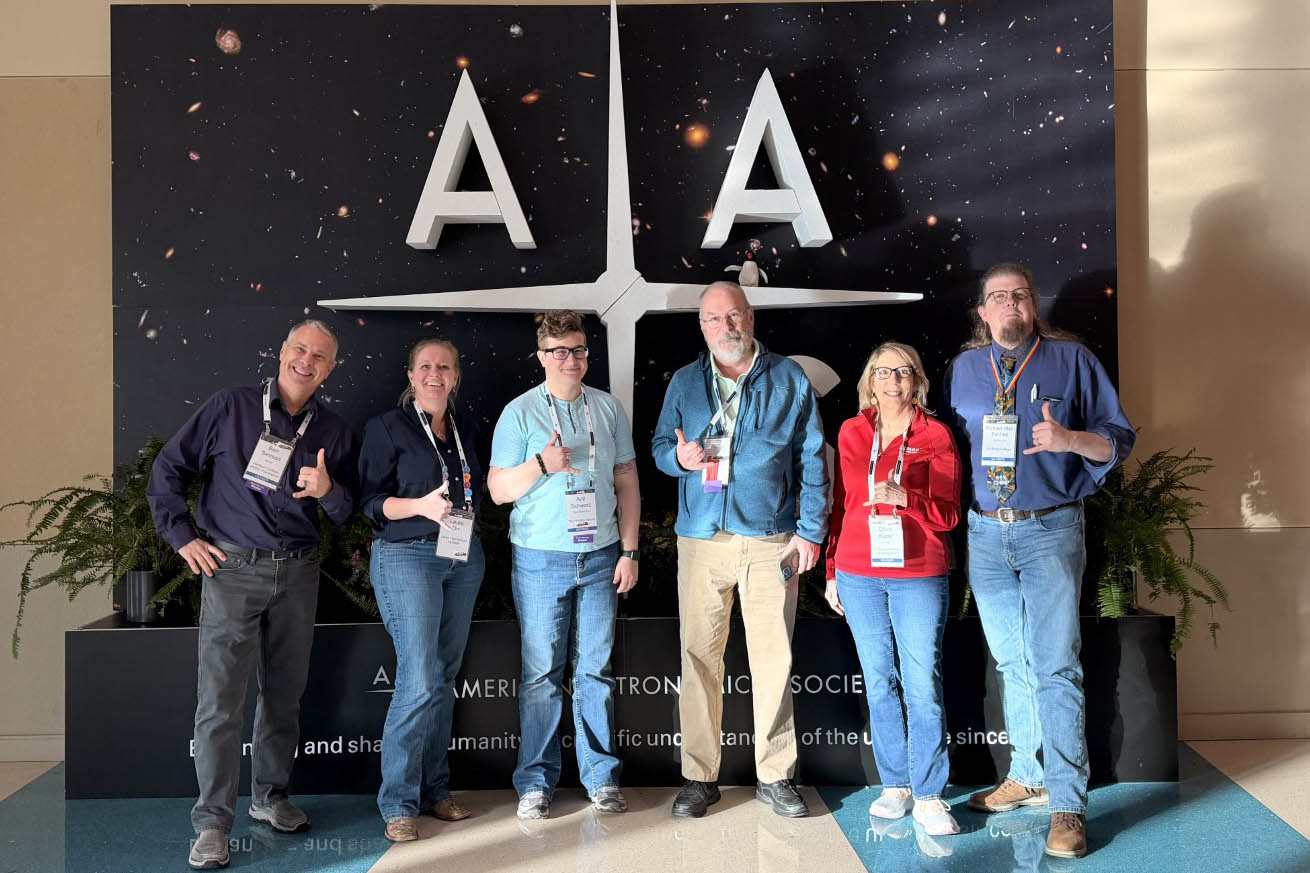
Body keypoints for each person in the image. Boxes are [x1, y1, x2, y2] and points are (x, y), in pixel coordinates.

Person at [943, 262, 1136, 859]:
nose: (1009, 306)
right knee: (1012, 661)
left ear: (1033, 304)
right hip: (984, 533)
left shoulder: (1071, 361)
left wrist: (1070, 440)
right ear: (982, 311)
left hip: (1050, 529)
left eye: (1019, 296)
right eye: (997, 298)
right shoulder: (963, 371)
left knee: (1055, 666)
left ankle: (1067, 805)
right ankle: (1026, 775)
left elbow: (1119, 439)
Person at [148, 320, 356, 870]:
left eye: (320, 356)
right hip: (231, 569)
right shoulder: (231, 406)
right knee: (220, 702)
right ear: (282, 352)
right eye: (299, 349)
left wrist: (329, 492)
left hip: (299, 572)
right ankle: (212, 824)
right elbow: (168, 469)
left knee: (284, 695)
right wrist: (182, 537)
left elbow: (348, 510)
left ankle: (270, 798)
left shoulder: (332, 429)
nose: (306, 361)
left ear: (330, 368)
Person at [651, 280, 828, 819]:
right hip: (702, 540)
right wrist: (679, 461)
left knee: (773, 659)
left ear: (749, 318)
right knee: (699, 658)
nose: (725, 327)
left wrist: (811, 530)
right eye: (713, 319)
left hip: (770, 538)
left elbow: (814, 458)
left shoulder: (787, 377)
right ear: (701, 327)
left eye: (733, 316)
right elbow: (661, 448)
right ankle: (699, 777)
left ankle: (776, 776)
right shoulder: (684, 382)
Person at [487, 310, 640, 820]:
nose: (569, 359)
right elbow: (496, 490)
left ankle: (601, 779)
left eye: (576, 350)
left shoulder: (608, 408)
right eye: (558, 351)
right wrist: (541, 465)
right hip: (539, 559)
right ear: (541, 356)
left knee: (595, 670)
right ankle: (535, 783)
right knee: (540, 675)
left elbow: (626, 481)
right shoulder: (520, 413)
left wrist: (630, 549)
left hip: (600, 556)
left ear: (586, 354)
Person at [823, 342, 963, 837]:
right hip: (859, 572)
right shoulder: (852, 431)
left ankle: (928, 793)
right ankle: (895, 784)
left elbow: (949, 515)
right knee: (879, 681)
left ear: (916, 380)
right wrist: (832, 570)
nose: (893, 382)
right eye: (883, 373)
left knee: (921, 684)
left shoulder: (935, 435)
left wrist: (910, 498)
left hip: (918, 573)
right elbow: (838, 504)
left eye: (902, 373)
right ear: (870, 380)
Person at [357, 338, 486, 842]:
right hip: (406, 555)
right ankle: (398, 802)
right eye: (425, 367)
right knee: (419, 677)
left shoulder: (465, 427)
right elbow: (369, 503)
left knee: (445, 675)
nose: (435, 375)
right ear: (411, 376)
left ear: (455, 377)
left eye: (445, 367)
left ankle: (436, 790)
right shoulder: (385, 428)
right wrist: (419, 507)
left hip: (462, 557)